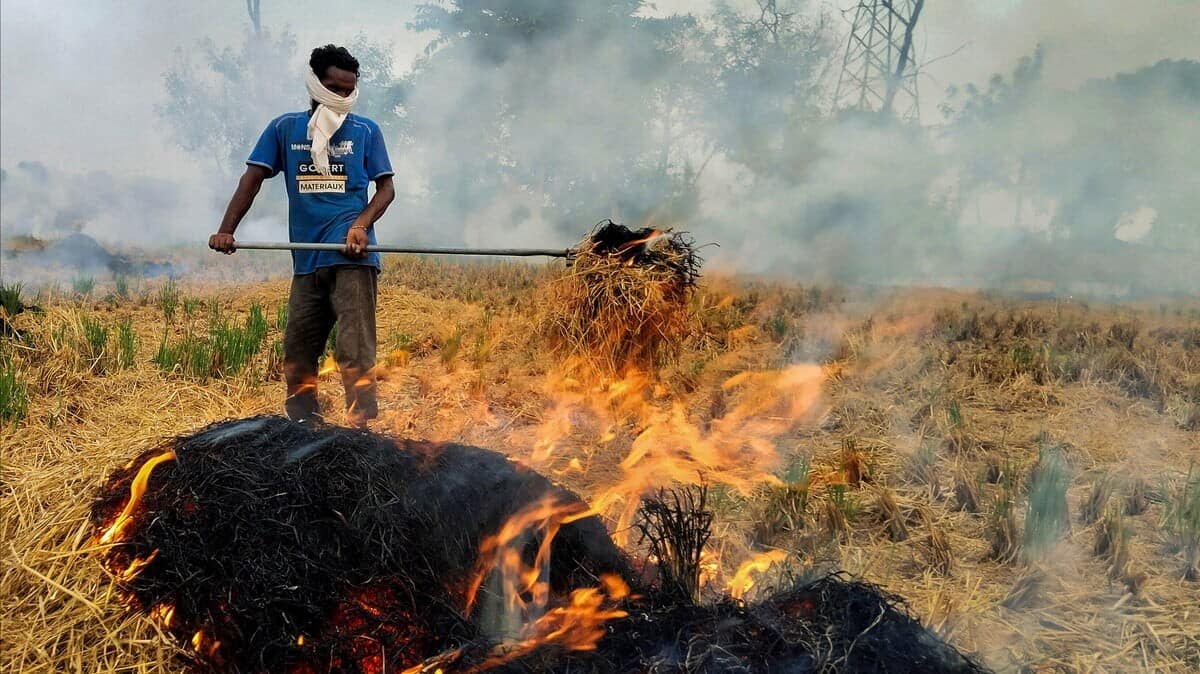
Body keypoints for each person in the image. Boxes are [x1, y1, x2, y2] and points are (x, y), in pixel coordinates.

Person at [209, 44, 395, 426]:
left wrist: (360, 225)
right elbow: (252, 179)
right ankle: (303, 431)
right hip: (306, 259)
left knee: (354, 353)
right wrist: (227, 229)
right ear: (314, 85)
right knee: (298, 351)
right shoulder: (284, 129)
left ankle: (360, 433)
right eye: (333, 88)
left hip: (352, 256)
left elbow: (386, 189)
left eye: (348, 91)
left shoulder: (365, 131)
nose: (342, 98)